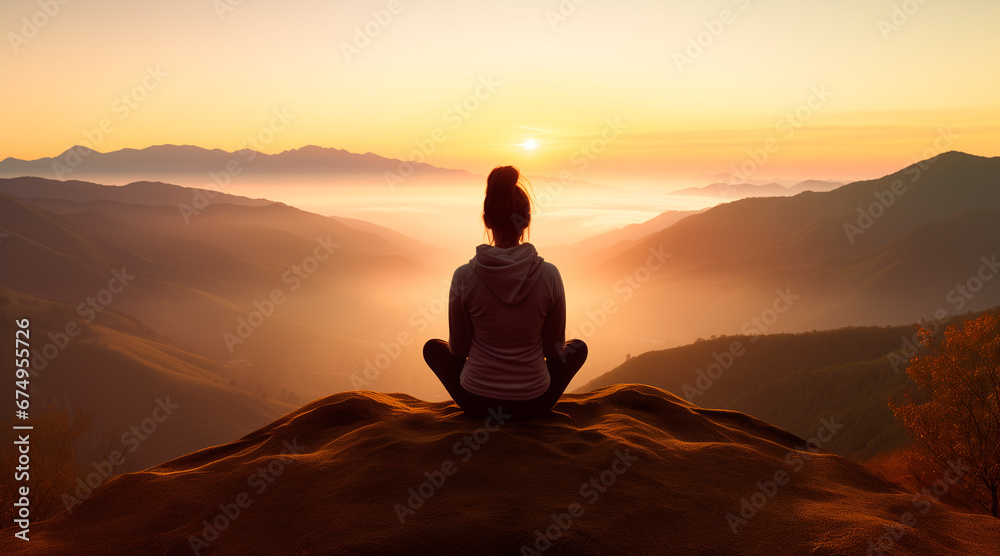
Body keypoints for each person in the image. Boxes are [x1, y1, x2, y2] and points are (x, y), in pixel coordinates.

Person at [423, 165, 587, 421]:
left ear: (487, 220)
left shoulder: (463, 277)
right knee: (578, 348)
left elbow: (458, 351)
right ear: (527, 220)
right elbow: (554, 352)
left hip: (476, 402)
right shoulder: (550, 275)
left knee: (433, 348)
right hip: (534, 402)